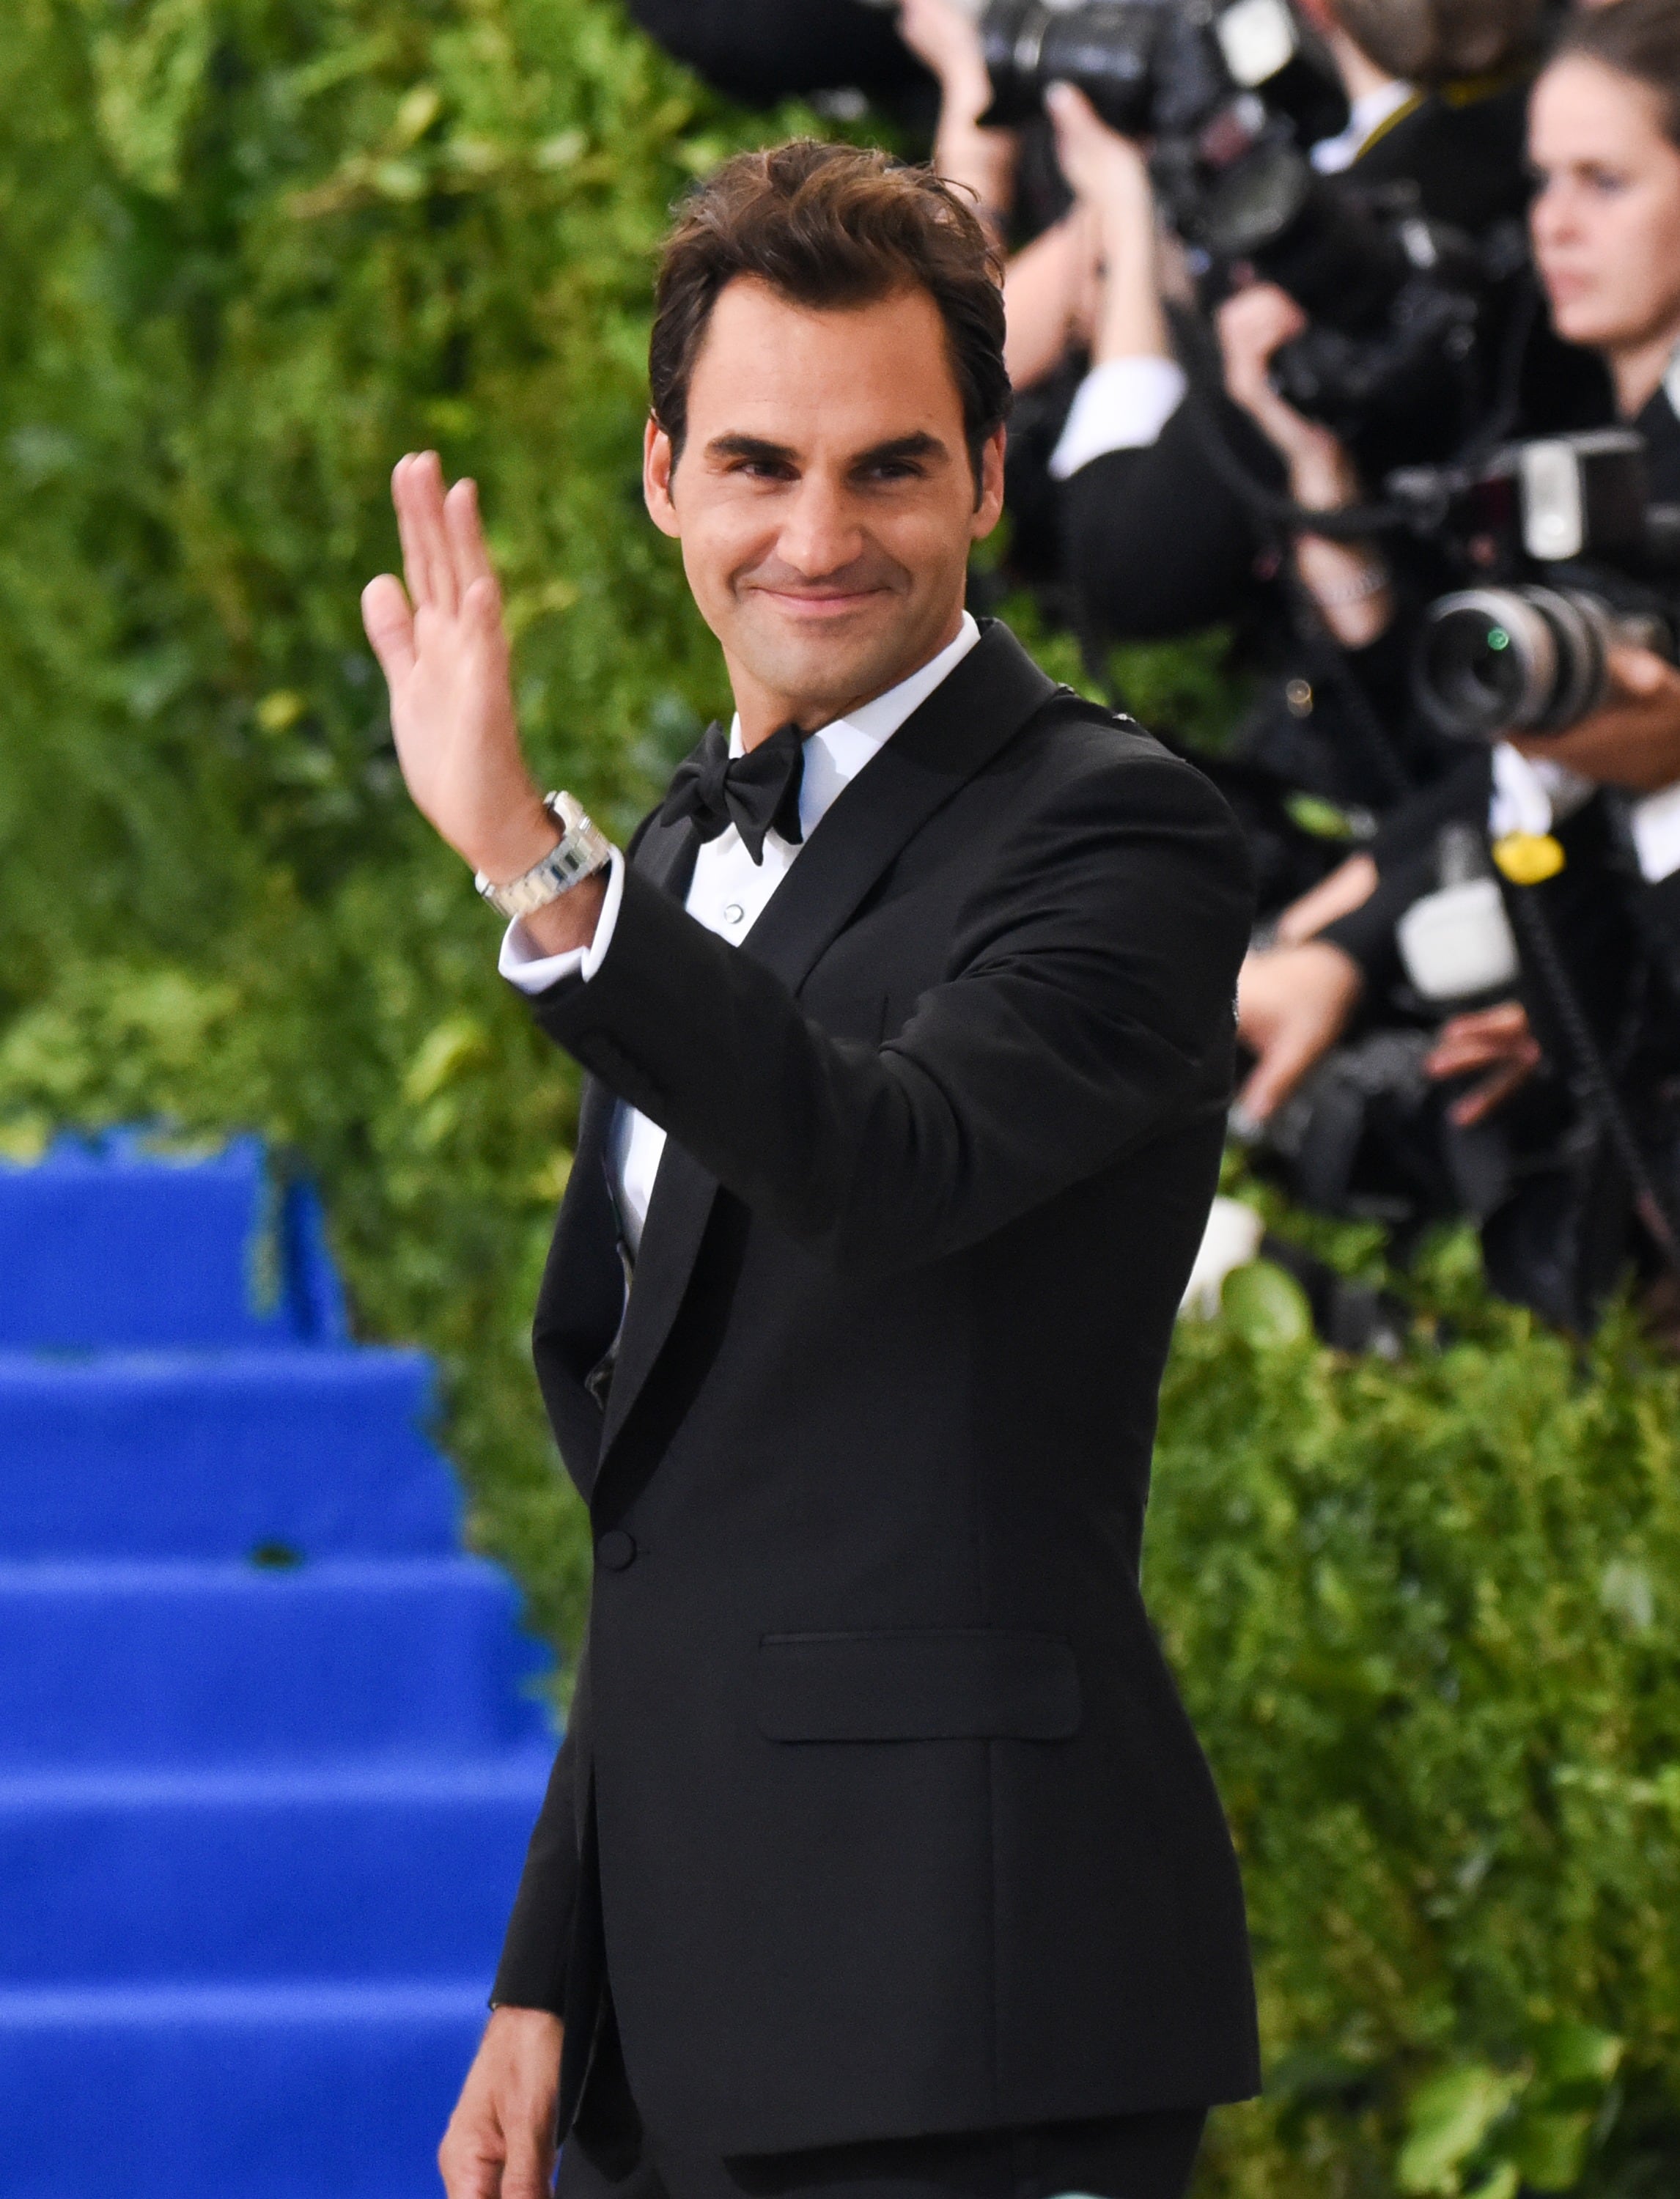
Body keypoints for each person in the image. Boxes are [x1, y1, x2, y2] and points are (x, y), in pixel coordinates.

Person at [360, 141, 1259, 2199]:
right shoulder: (679, 858)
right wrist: (550, 1975)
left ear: (990, 480)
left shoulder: (1116, 833)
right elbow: (672, 1513)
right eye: (760, 466)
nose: (820, 535)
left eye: (889, 469)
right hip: (675, 2027)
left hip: (968, 2008)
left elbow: (891, 1162)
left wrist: (539, 872)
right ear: (664, 477)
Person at [1237, 0, 1680, 1137]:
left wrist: (1347, 938)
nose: (1555, 224)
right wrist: (1318, 476)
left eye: (1605, 182)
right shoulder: (1557, 407)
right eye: (1543, 181)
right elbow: (1444, 737)